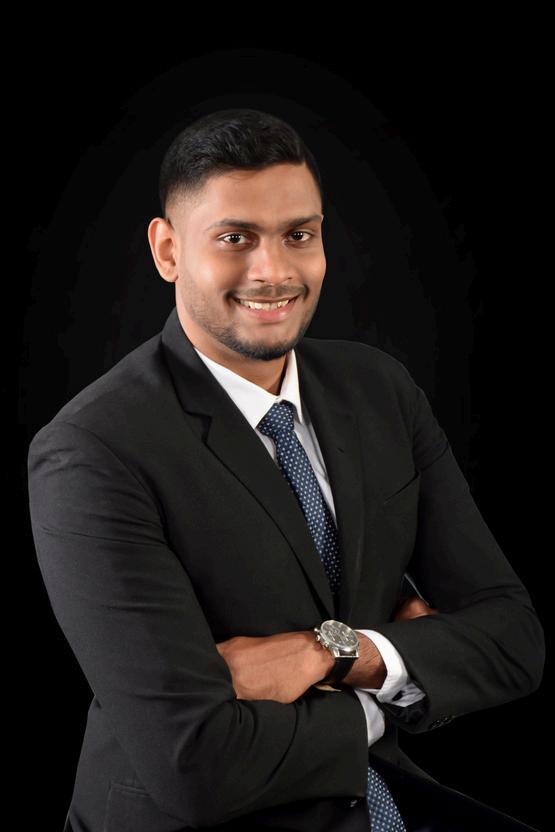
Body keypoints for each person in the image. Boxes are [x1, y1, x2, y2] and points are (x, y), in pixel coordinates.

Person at [27, 108, 545, 832]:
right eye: (234, 238)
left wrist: (335, 655)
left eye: (298, 235)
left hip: (373, 795)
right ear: (168, 250)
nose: (273, 272)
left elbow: (514, 642)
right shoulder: (92, 450)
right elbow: (194, 765)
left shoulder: (380, 390)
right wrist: (390, 685)